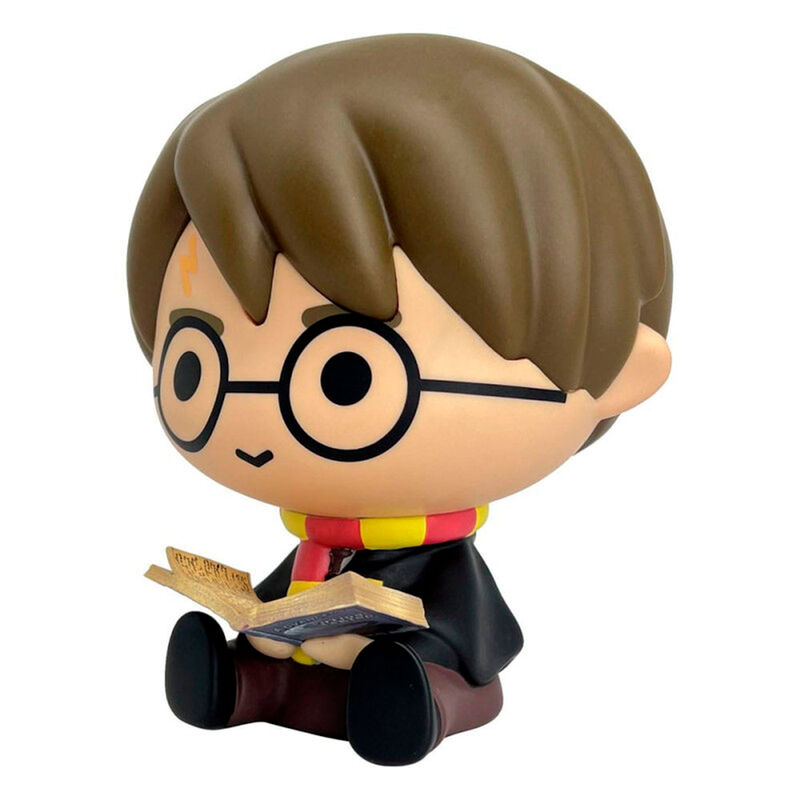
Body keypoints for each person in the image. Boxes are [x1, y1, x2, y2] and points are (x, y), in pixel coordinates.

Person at [127, 33, 672, 765]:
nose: (251, 413)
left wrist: (367, 642)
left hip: (419, 646)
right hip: (319, 645)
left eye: (346, 374)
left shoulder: (442, 561)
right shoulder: (314, 543)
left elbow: (461, 622)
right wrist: (268, 625)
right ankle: (241, 684)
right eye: (196, 367)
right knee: (271, 651)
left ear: (618, 371)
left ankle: (416, 704)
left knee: (433, 670)